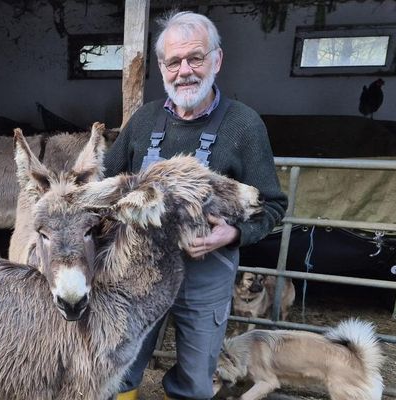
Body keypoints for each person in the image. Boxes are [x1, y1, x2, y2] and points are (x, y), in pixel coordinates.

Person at [103, 11, 288, 400]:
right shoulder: (143, 120)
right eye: (174, 61)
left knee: (196, 379)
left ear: (216, 60)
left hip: (206, 272)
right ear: (161, 67)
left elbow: (272, 205)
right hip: (139, 272)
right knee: (119, 365)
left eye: (196, 58)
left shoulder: (243, 125)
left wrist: (232, 233)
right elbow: (106, 181)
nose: (184, 70)